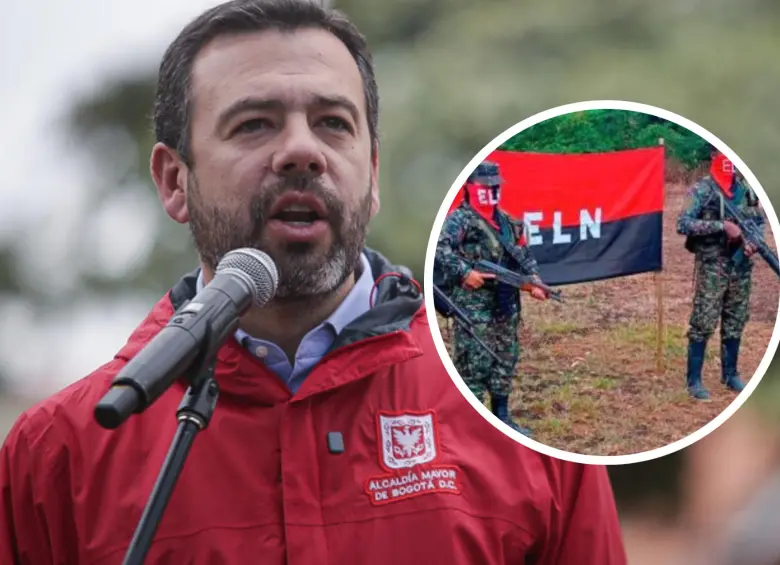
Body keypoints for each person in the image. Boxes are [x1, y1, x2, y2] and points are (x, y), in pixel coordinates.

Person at [0, 1, 627, 563]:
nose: (302, 151)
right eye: (254, 124)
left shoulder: (510, 418)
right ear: (173, 180)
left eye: (332, 122)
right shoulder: (59, 455)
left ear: (373, 172)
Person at [434, 161, 548, 437]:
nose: (491, 190)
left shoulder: (509, 222)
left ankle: (502, 419)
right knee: (474, 364)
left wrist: (533, 281)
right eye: (485, 186)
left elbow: (524, 256)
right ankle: (471, 427)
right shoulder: (459, 221)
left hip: (506, 303)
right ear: (469, 188)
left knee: (505, 359)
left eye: (495, 185)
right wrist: (465, 272)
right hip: (473, 306)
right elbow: (438, 248)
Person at [677, 148, 765, 401]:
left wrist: (752, 242)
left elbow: (758, 221)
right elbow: (683, 223)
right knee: (703, 320)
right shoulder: (702, 190)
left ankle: (730, 374)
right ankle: (694, 380)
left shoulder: (746, 190)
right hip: (713, 265)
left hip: (741, 267)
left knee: (736, 318)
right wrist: (721, 226)